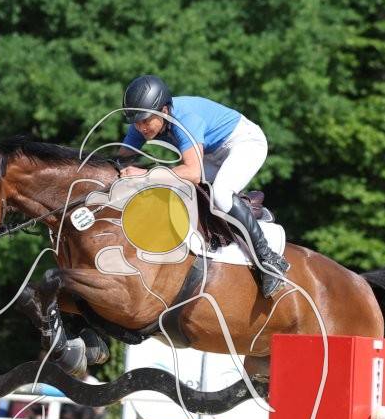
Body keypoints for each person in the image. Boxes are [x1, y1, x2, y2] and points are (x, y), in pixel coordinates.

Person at [118, 75, 290, 297]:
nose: (140, 127)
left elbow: (193, 173)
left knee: (221, 195)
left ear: (164, 111)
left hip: (244, 142)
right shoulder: (141, 122)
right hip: (210, 153)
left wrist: (146, 175)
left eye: (145, 121)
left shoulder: (185, 119)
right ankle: (243, 214)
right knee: (173, 192)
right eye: (136, 121)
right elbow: (121, 161)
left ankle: (269, 260)